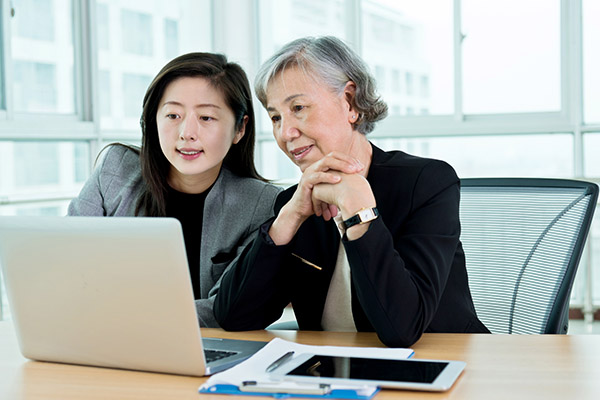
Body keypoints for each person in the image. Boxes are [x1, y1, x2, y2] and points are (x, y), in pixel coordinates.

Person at [214, 36, 489, 347]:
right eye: (276, 117)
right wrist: (288, 217)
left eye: (299, 108)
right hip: (334, 374)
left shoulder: (426, 183)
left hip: (442, 367)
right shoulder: (294, 203)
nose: (285, 133)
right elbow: (235, 317)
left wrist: (360, 213)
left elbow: (402, 330)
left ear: (350, 102)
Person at [68, 52, 281, 327]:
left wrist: (138, 318)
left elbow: (227, 308)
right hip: (106, 336)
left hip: (204, 348)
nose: (186, 132)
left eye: (206, 118)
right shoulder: (115, 170)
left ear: (240, 128)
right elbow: (70, 265)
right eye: (172, 115)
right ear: (152, 120)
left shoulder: (260, 203)